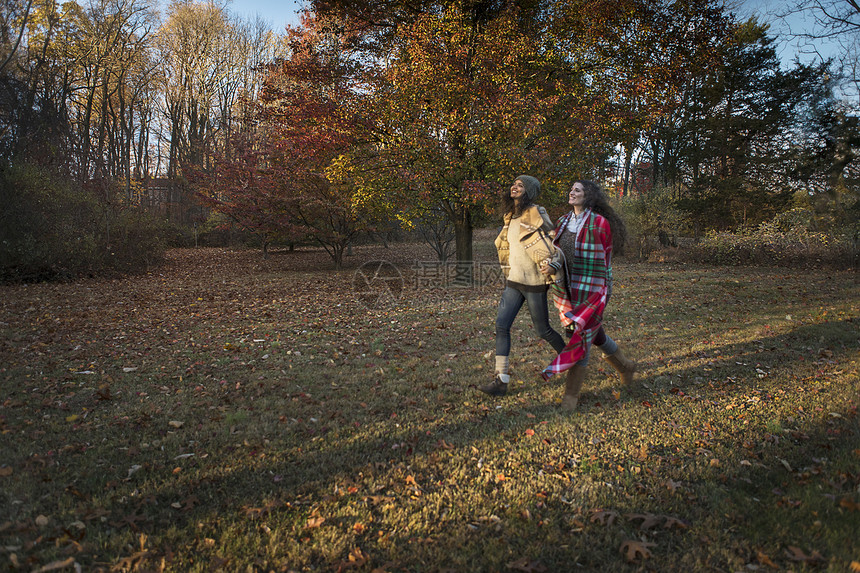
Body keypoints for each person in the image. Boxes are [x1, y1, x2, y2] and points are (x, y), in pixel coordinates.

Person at [540, 179, 637, 411]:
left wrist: (605, 291)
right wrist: (553, 265)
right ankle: (625, 367)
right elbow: (559, 254)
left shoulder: (600, 223)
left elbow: (605, 261)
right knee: (596, 335)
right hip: (568, 290)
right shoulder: (563, 222)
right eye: (571, 189)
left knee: (580, 336)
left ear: (588, 195)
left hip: (593, 290)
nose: (571, 192)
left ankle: (570, 398)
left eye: (577, 190)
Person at [481, 175, 567, 397]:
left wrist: (555, 263)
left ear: (529, 191)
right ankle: (501, 380)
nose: (515, 187)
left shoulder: (537, 212)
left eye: (521, 185)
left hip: (534, 283)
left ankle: (571, 359)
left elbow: (555, 241)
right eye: (514, 184)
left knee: (543, 330)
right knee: (501, 325)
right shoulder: (509, 216)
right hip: (513, 282)